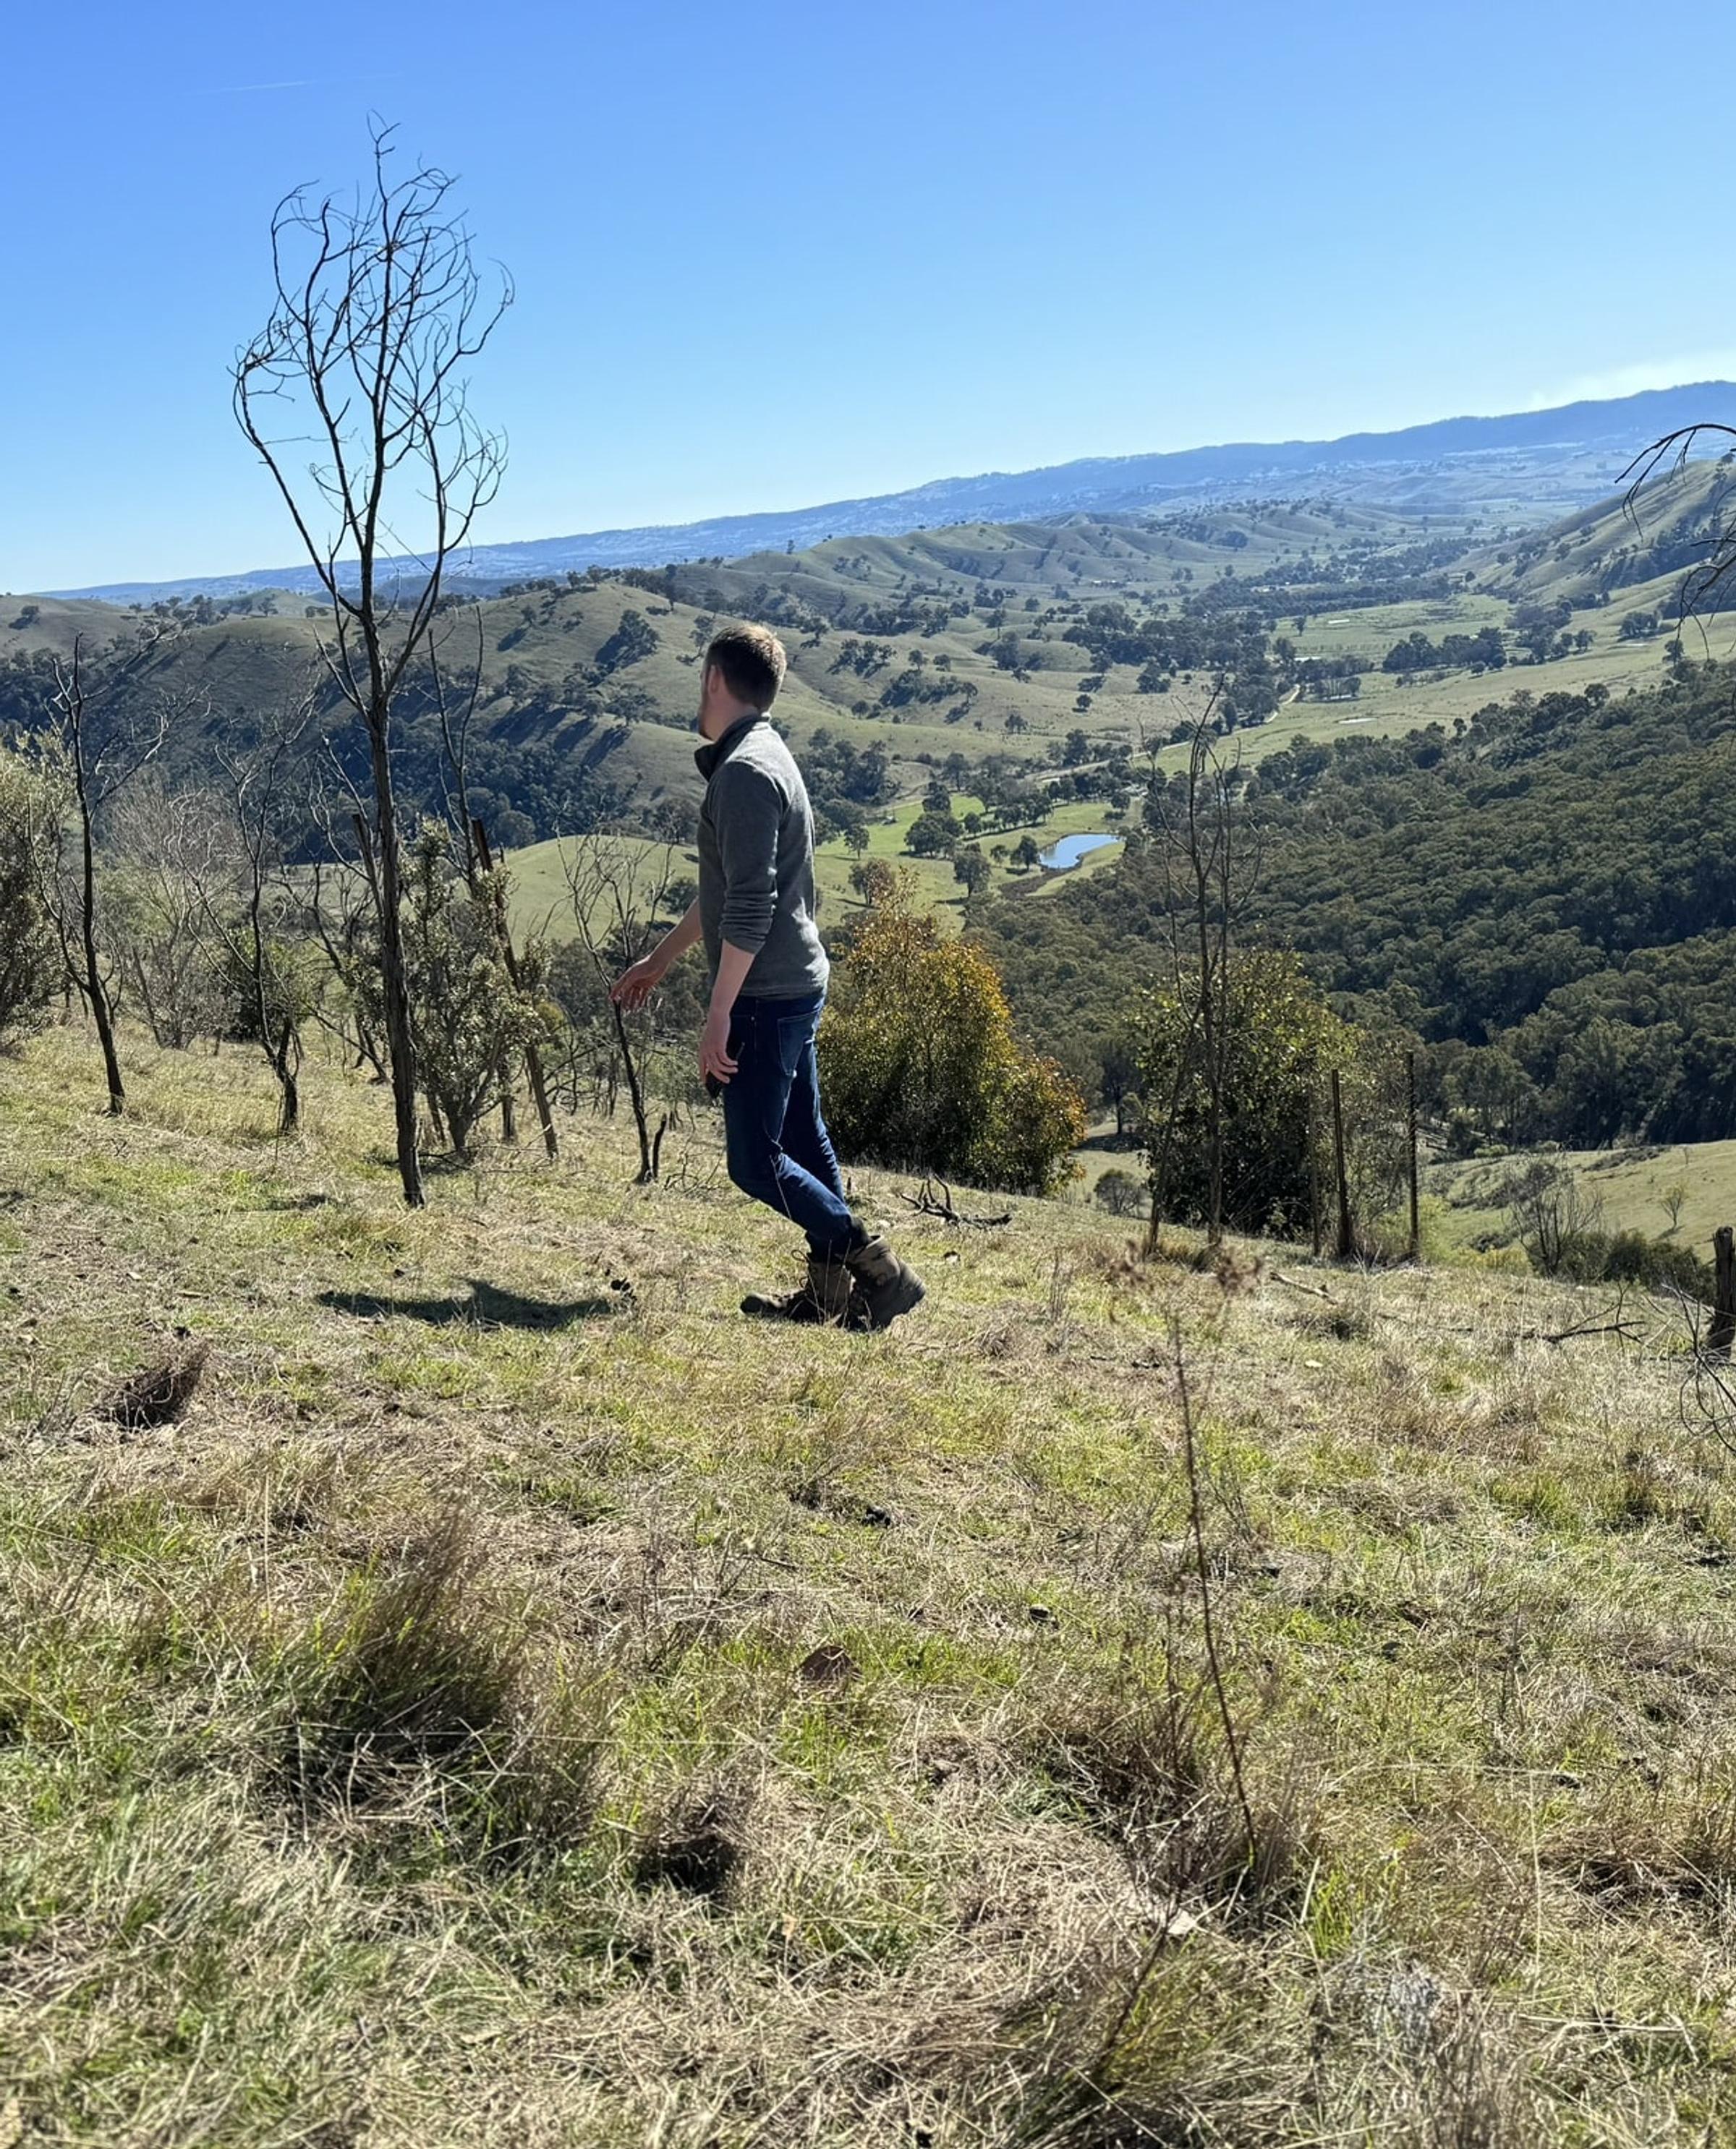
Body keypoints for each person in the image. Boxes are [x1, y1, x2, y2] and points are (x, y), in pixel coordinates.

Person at [612, 622, 924, 1329]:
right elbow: (729, 888)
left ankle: (879, 1270)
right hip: (793, 984)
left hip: (765, 996)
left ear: (716, 680)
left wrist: (719, 1013)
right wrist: (660, 961)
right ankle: (827, 1300)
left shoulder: (746, 773)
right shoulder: (766, 752)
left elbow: (748, 910)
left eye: (701, 680)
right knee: (806, 1142)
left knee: (755, 1164)